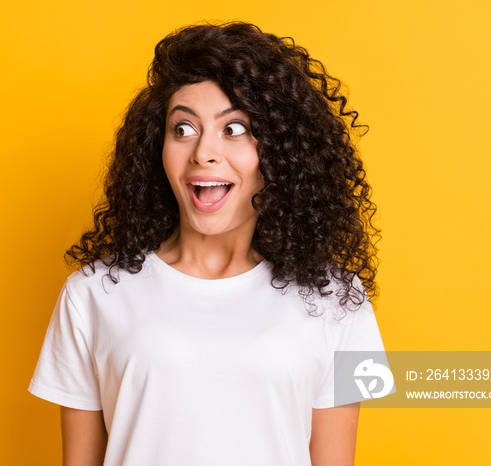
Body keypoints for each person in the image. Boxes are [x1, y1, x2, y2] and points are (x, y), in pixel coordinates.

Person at [29, 21, 388, 466]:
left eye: (234, 129)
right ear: (155, 149)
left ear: (278, 152)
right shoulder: (91, 294)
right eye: (183, 129)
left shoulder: (338, 300)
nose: (203, 152)